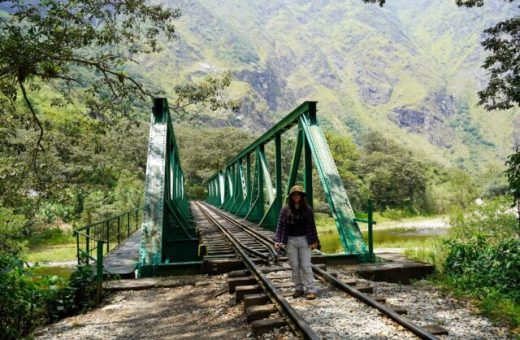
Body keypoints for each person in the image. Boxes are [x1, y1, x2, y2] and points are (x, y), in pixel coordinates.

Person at [274, 185, 320, 300]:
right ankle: (298, 288)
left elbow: (312, 226)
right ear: (291, 197)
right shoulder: (285, 209)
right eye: (294, 195)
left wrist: (315, 241)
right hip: (290, 241)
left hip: (305, 240)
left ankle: (311, 289)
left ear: (301, 196)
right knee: (294, 266)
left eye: (298, 194)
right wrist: (278, 240)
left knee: (305, 265)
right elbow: (280, 226)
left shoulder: (308, 209)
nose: (296, 196)